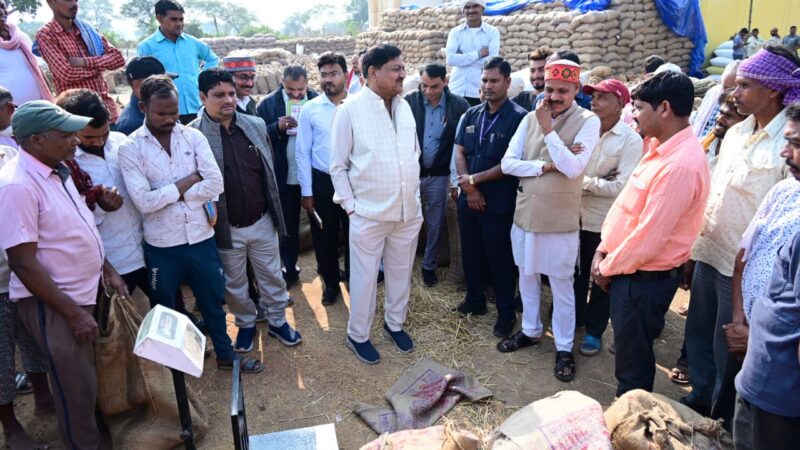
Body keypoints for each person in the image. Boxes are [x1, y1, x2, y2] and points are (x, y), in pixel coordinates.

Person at [0, 101, 128, 449]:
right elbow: (24, 263)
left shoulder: (58, 169)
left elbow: (78, 227)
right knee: (76, 391)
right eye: (66, 134)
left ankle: (97, 439)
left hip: (85, 293)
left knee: (90, 381)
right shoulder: (18, 186)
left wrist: (108, 269)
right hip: (57, 305)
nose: (75, 140)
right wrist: (72, 313)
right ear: (37, 140)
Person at [682, 46, 799, 417]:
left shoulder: (789, 144)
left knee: (729, 348)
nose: (735, 94)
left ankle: (719, 417)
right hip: (709, 250)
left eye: (745, 86)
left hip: (747, 270)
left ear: (774, 90)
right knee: (698, 336)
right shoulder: (736, 132)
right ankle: (700, 397)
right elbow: (715, 191)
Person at [118, 76, 263, 374]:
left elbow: (215, 183)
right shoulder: (130, 148)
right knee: (168, 309)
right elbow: (144, 202)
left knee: (212, 301)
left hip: (200, 238)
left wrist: (169, 193)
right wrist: (187, 182)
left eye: (174, 111)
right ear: (143, 107)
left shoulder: (193, 137)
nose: (170, 119)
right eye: (161, 113)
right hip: (162, 246)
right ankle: (178, 369)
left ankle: (225, 354)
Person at [591, 71, 710, 397]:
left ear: (665, 108)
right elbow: (629, 209)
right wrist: (604, 249)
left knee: (633, 367)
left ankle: (632, 421)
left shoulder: (680, 165)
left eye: (639, 107)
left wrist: (606, 266)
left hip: (642, 279)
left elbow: (649, 236)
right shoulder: (660, 148)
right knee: (630, 355)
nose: (633, 115)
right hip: (629, 271)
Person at [497, 60, 600, 382]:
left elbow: (572, 168)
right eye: (549, 89)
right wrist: (543, 166)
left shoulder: (588, 121)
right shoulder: (529, 118)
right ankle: (530, 330)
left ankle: (565, 346)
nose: (554, 97)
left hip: (560, 220)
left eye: (562, 91)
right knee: (526, 277)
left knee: (561, 285)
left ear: (576, 91)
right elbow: (508, 163)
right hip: (525, 214)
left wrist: (548, 131)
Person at [192, 68, 300, 353]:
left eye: (230, 93)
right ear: (202, 97)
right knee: (235, 284)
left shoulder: (254, 124)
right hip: (226, 228)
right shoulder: (193, 135)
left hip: (262, 220)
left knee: (272, 276)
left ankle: (277, 321)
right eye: (219, 95)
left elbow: (266, 173)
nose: (227, 100)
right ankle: (246, 324)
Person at [329, 44, 423, 364]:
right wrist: (352, 208)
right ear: (372, 73)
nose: (403, 73)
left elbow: (414, 153)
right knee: (365, 278)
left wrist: (415, 197)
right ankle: (358, 335)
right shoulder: (350, 109)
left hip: (407, 211)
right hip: (368, 213)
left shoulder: (406, 106)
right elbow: (338, 166)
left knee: (400, 271)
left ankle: (394, 324)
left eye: (402, 67)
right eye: (396, 68)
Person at [729, 104, 800, 448]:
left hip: (781, 392)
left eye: (796, 143)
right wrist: (741, 322)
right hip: (762, 373)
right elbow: (744, 258)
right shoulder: (787, 192)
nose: (785, 151)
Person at [452, 57, 527, 337]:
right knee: (471, 253)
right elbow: (459, 150)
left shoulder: (519, 118)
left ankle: (506, 313)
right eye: (484, 80)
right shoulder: (471, 115)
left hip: (498, 202)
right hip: (469, 199)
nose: (487, 86)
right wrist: (468, 188)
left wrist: (473, 182)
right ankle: (475, 301)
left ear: (507, 82)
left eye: (494, 80)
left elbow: (512, 163)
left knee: (500, 259)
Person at [571, 80, 643, 356]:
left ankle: (594, 331)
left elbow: (620, 186)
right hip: (573, 214)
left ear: (620, 103)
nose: (594, 102)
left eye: (602, 97)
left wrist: (582, 181)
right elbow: (567, 168)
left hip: (604, 220)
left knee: (601, 277)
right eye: (593, 97)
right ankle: (575, 319)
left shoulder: (630, 140)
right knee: (573, 272)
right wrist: (596, 180)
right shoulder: (582, 130)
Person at [54, 89, 149, 295]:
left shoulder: (121, 142)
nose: (98, 142)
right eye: (88, 137)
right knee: (119, 323)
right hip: (112, 261)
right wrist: (100, 208)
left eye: (104, 134)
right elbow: (70, 220)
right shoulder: (66, 164)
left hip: (147, 249)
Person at [0, 143, 54, 450]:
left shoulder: (7, 155)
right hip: (3, 274)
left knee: (32, 337)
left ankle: (43, 396)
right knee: (2, 355)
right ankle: (11, 428)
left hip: (22, 271)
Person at [405, 63, 470, 287]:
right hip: (412, 173)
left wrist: (455, 179)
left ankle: (429, 265)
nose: (428, 92)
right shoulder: (409, 102)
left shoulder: (458, 106)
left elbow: (461, 144)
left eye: (434, 87)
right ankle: (402, 264)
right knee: (406, 220)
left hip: (440, 175)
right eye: (424, 86)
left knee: (434, 223)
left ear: (445, 82)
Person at [296, 53, 351, 305]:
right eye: (324, 75)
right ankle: (331, 283)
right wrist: (307, 192)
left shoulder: (358, 104)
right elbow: (302, 150)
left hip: (353, 180)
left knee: (356, 232)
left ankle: (355, 278)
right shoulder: (311, 109)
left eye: (334, 73)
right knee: (324, 235)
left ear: (345, 74)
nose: (328, 80)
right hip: (322, 181)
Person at [257, 66, 319, 289]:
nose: (296, 94)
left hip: (313, 176)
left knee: (320, 224)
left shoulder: (316, 100)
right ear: (282, 82)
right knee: (288, 227)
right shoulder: (267, 104)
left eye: (300, 90)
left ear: (307, 84)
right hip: (284, 177)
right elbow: (257, 136)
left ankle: (325, 267)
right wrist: (276, 127)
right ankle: (290, 269)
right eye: (290, 90)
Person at [34, 0, 124, 122]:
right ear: (51, 2)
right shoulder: (46, 34)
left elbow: (118, 59)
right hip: (76, 117)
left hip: (107, 110)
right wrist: (100, 67)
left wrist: (84, 62)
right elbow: (67, 73)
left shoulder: (88, 30)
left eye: (76, 0)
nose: (75, 4)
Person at [137, 0, 219, 124]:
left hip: (197, 106)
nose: (179, 24)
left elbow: (212, 58)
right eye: (174, 19)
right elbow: (141, 78)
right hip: (167, 111)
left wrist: (203, 79)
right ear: (159, 18)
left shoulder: (193, 42)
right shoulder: (147, 46)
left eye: (181, 19)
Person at [445, 0, 500, 106]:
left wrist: (461, 57)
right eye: (467, 7)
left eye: (475, 6)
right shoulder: (455, 32)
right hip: (457, 89)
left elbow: (492, 62)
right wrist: (479, 54)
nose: (471, 10)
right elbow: (450, 59)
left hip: (479, 91)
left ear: (482, 8)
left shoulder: (492, 32)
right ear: (462, 10)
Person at [0, 0, 53, 106]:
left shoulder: (22, 37)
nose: (2, 12)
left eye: (3, 7)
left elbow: (39, 71)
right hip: (7, 115)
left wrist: (50, 95)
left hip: (38, 108)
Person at [116, 56, 177, 136]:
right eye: (161, 83)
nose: (168, 86)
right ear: (139, 85)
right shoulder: (133, 124)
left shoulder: (157, 108)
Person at [699, 91, 746, 172]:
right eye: (720, 113)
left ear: (745, 122)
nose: (719, 119)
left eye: (728, 116)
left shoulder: (743, 157)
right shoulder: (703, 143)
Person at [691, 60, 740, 138]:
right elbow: (698, 119)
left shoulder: (741, 103)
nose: (726, 92)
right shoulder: (713, 92)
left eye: (731, 89)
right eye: (724, 86)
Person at [511, 47, 552, 112]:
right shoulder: (520, 99)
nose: (536, 75)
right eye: (532, 71)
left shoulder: (556, 100)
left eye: (541, 70)